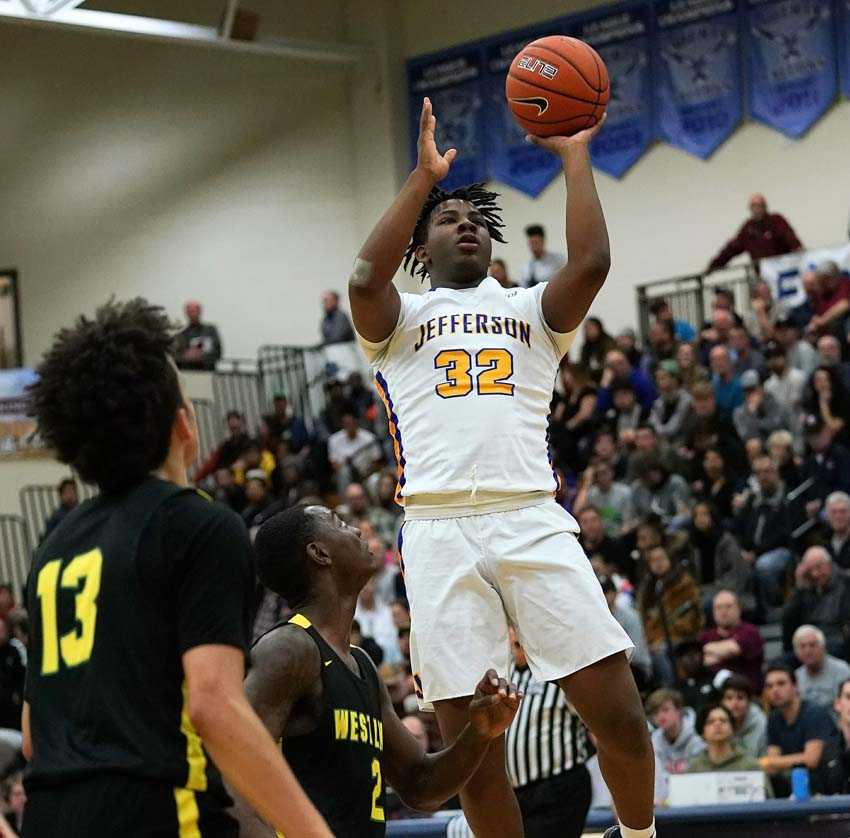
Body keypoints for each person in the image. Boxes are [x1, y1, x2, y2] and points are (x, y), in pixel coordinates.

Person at [348, 98, 655, 838]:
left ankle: (640, 837)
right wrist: (424, 180)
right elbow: (363, 277)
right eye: (449, 218)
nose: (468, 224)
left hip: (529, 514)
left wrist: (575, 156)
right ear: (420, 243)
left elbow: (594, 262)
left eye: (479, 219)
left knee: (619, 715)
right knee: (478, 757)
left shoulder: (531, 309)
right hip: (437, 530)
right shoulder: (399, 321)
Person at [24, 299, 329, 837]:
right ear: (183, 423)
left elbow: (33, 733)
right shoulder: (199, 526)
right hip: (154, 811)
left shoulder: (56, 544)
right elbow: (214, 704)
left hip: (48, 816)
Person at [237, 505, 522, 837]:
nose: (357, 530)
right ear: (319, 553)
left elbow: (421, 784)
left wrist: (478, 733)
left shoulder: (361, 665)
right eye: (339, 523)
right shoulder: (289, 650)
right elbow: (232, 771)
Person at [733, 455, 793, 621]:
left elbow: (784, 534)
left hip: (780, 549)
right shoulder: (753, 499)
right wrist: (742, 549)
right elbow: (740, 527)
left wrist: (756, 553)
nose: (763, 477)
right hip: (753, 551)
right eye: (758, 473)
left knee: (764, 566)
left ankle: (774, 608)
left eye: (767, 471)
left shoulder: (787, 497)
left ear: (776, 472)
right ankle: (744, 613)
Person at [763, 663, 837, 796]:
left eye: (781, 683)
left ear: (795, 686)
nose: (775, 690)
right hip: (790, 787)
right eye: (769, 686)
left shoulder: (815, 713)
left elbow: (811, 759)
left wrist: (770, 762)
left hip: (825, 786)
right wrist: (771, 762)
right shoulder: (773, 719)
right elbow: (772, 763)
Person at [638, 545, 703, 686]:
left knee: (660, 652)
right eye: (653, 560)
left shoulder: (684, 584)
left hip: (681, 636)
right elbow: (644, 620)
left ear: (670, 560)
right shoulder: (647, 590)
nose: (658, 563)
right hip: (653, 639)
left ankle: (671, 689)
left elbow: (690, 617)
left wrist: (659, 638)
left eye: (661, 558)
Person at [687, 704, 773, 796]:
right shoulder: (694, 769)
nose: (717, 724)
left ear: (732, 729)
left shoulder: (750, 766)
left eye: (723, 721)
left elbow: (768, 802)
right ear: (702, 732)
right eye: (710, 722)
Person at [706, 194, 802, 274]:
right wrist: (713, 266)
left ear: (765, 207)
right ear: (750, 209)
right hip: (763, 274)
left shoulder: (776, 220)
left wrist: (799, 250)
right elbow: (731, 249)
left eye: (759, 206)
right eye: (754, 206)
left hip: (783, 269)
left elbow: (789, 237)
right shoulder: (748, 228)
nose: (757, 209)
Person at [783, 547, 850, 660]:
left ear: (829, 564)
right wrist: (800, 587)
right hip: (810, 636)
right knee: (783, 661)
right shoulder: (806, 587)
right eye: (810, 570)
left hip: (838, 637)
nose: (815, 574)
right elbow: (788, 619)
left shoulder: (846, 582)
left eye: (819, 567)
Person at [699, 591, 763, 690]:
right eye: (718, 607)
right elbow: (700, 660)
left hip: (746, 692)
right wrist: (724, 654)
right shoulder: (705, 636)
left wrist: (707, 649)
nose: (723, 611)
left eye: (728, 606)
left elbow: (732, 649)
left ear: (739, 609)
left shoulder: (750, 632)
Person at [646, 689, 706, 781]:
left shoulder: (697, 738)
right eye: (656, 712)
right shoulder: (654, 741)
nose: (660, 716)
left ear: (679, 711)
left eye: (665, 710)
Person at [793, 625, 850, 709]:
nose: (807, 651)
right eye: (802, 646)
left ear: (823, 647)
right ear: (796, 652)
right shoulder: (796, 676)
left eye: (812, 645)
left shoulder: (842, 670)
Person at [327, 411, 382, 493]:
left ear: (356, 423)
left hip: (366, 472)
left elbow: (376, 461)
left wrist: (366, 475)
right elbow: (334, 464)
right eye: (346, 423)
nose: (349, 426)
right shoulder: (334, 440)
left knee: (374, 479)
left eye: (351, 423)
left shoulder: (369, 438)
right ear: (342, 425)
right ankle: (346, 503)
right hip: (346, 473)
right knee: (343, 474)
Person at [734, 369, 793, 443]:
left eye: (753, 389)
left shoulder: (774, 403)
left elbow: (776, 426)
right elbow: (746, 436)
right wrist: (752, 414)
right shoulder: (739, 412)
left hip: (777, 444)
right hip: (757, 450)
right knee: (753, 444)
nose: (750, 394)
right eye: (746, 390)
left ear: (761, 387)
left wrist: (757, 423)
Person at [721, 674, 768, 758]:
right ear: (722, 702)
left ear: (749, 702)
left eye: (740, 698)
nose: (734, 703)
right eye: (729, 698)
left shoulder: (762, 724)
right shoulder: (716, 722)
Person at [649, 362, 693, 446]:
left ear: (675, 379)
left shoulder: (687, 400)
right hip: (663, 443)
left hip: (681, 443)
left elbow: (673, 428)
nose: (659, 381)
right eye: (658, 378)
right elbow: (652, 424)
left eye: (663, 377)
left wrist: (658, 433)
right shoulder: (658, 402)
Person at [173, 300, 222, 371]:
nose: (191, 314)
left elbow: (218, 352)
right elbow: (175, 356)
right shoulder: (181, 334)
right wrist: (185, 356)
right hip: (188, 373)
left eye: (194, 311)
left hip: (207, 372)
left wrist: (200, 356)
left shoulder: (210, 330)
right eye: (189, 312)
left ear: (200, 312)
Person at [520, 224, 564, 288]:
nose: (534, 247)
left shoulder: (558, 261)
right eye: (531, 243)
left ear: (543, 242)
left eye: (536, 243)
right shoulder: (526, 267)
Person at [39, 478, 78, 543]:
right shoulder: (56, 516)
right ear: (61, 495)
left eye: (72, 491)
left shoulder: (82, 512)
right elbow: (48, 538)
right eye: (66, 492)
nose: (70, 496)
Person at [579, 317, 617, 383]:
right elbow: (583, 365)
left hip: (608, 376)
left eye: (590, 328)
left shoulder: (608, 342)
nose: (587, 331)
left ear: (598, 328)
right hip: (592, 377)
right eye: (586, 329)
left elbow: (610, 363)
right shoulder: (586, 347)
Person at [709, 345, 744, 415]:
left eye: (722, 359)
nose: (718, 363)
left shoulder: (739, 386)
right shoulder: (712, 385)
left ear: (730, 361)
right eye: (714, 360)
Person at [822, 491, 850, 569]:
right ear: (827, 515)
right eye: (833, 512)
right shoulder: (822, 539)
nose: (838, 516)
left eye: (843, 511)